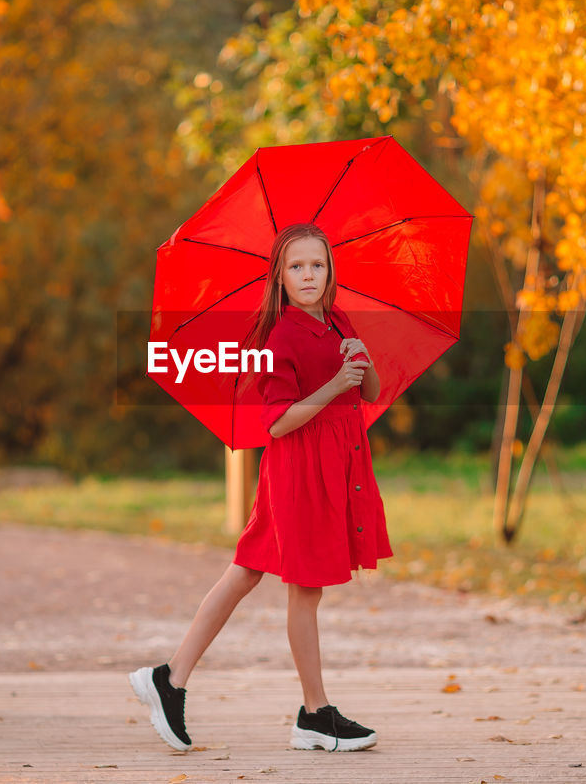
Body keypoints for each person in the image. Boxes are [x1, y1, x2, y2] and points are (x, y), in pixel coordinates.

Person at [129, 222, 393, 752]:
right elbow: (275, 423)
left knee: (246, 572)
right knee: (304, 587)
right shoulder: (282, 336)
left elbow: (371, 390)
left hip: (334, 462)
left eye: (317, 264)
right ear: (280, 276)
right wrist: (334, 385)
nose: (309, 275)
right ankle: (314, 714)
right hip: (299, 469)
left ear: (330, 269)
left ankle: (171, 676)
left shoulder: (339, 320)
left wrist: (361, 364)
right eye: (297, 267)